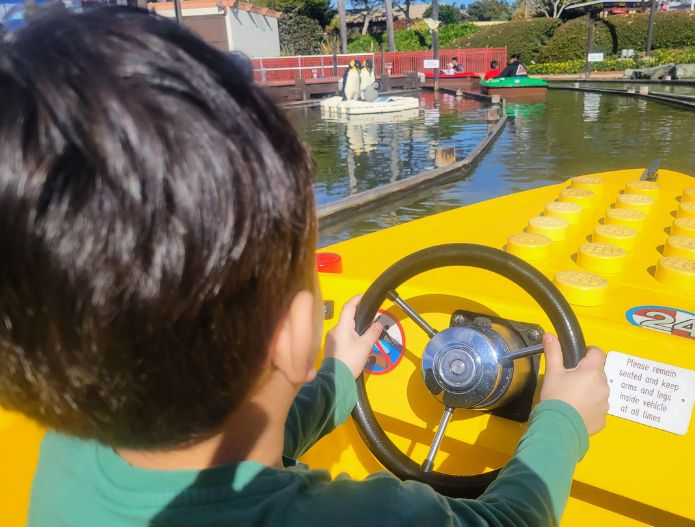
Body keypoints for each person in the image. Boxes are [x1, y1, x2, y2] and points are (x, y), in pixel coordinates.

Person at [0, 6, 610, 527]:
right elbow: (508, 519)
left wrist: (340, 378)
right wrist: (562, 420)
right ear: (296, 335)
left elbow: (234, 444)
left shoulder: (68, 450)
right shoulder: (378, 517)